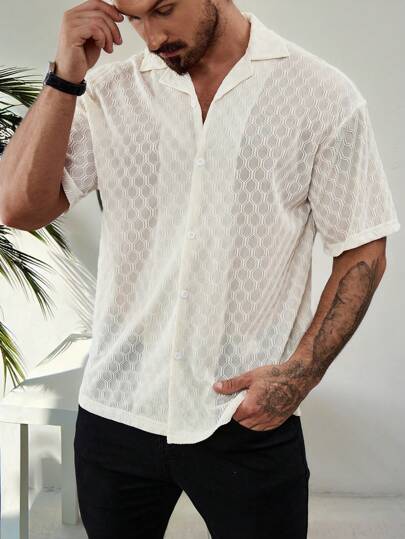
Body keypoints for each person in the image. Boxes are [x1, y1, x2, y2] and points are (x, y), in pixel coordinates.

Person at [0, 1, 400, 537]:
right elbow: (18, 209)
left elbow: (363, 248)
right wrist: (65, 76)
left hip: (245, 415)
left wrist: (300, 373)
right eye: (133, 18)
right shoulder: (109, 93)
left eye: (163, 9)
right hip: (119, 410)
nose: (151, 37)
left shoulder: (321, 95)